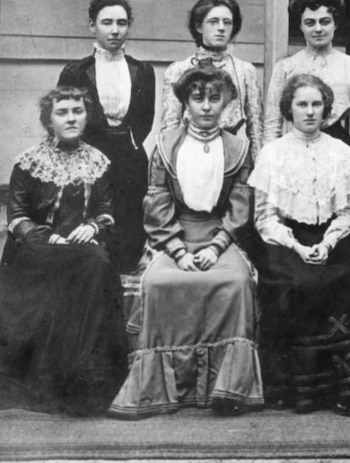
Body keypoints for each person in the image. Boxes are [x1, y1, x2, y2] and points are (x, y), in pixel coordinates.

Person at [109, 65, 262, 419]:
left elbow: (241, 205)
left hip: (220, 235)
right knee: (161, 282)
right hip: (174, 234)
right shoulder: (166, 145)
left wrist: (216, 246)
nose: (206, 106)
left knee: (235, 282)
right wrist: (177, 250)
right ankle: (160, 390)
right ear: (186, 103)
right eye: (198, 98)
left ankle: (226, 389)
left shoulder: (239, 147)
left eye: (214, 98)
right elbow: (157, 201)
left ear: (225, 103)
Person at [0, 87, 128, 416]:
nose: (71, 118)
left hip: (81, 250)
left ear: (87, 116)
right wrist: (46, 237)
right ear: (48, 120)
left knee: (97, 263)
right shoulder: (28, 162)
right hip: (37, 251)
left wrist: (93, 227)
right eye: (62, 112)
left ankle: (86, 380)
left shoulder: (98, 161)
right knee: (84, 266)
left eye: (77, 111)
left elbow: (106, 210)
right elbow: (18, 217)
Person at [250, 73, 350, 416]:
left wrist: (329, 243)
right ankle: (298, 389)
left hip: (333, 238)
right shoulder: (273, 153)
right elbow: (264, 218)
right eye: (301, 104)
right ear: (289, 108)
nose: (310, 111)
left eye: (317, 104)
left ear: (326, 109)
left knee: (345, 278)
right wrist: (298, 248)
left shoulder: (341, 152)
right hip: (285, 240)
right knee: (294, 283)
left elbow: (349, 211)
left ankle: (342, 386)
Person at [58, 0, 156, 273]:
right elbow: (65, 115)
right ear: (92, 26)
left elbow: (144, 119)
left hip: (129, 157)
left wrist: (129, 143)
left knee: (128, 221)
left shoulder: (142, 71)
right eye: (107, 22)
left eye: (122, 23)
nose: (115, 30)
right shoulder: (76, 71)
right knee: (92, 224)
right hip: (88, 156)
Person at [263, 0, 350, 156]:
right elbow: (273, 122)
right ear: (301, 26)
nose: (318, 29)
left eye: (325, 22)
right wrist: (268, 159)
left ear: (335, 24)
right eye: (310, 23)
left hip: (339, 148)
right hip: (296, 147)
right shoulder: (286, 67)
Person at [161, 0, 263, 158]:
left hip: (232, 156)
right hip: (191, 154)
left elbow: (256, 129)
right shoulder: (179, 70)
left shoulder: (245, 71)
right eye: (213, 22)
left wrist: (257, 169)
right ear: (199, 26)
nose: (221, 28)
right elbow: (169, 129)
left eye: (227, 22)